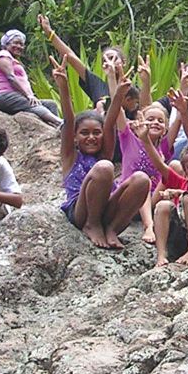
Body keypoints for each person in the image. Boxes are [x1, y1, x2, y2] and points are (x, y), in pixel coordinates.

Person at [52, 56, 149, 249]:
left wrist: (120, 94)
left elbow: (111, 121)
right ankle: (92, 224)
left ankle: (111, 229)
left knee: (141, 179)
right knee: (104, 168)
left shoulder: (104, 153)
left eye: (96, 133)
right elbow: (70, 120)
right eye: (84, 133)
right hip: (80, 211)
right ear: (74, 137)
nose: (91, 137)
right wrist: (63, 87)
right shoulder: (70, 156)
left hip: (107, 208)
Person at [134, 124, 188, 267]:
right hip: (179, 238)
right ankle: (162, 254)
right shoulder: (182, 183)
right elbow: (160, 166)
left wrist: (181, 193)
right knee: (163, 205)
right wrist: (145, 140)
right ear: (185, 172)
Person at [104, 56, 171, 243]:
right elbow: (117, 111)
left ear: (166, 128)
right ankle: (149, 226)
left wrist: (146, 82)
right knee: (143, 181)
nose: (154, 123)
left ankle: (152, 222)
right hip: (129, 197)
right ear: (140, 120)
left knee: (173, 168)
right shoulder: (128, 138)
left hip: (154, 200)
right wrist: (112, 79)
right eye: (150, 119)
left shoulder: (164, 146)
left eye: (160, 121)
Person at [0, 29, 61, 126]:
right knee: (32, 104)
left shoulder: (14, 60)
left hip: (16, 96)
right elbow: (11, 77)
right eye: (16, 43)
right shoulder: (2, 55)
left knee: (51, 104)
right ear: (6, 44)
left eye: (21, 44)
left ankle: (56, 129)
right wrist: (28, 95)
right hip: (1, 95)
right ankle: (59, 122)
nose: (19, 46)